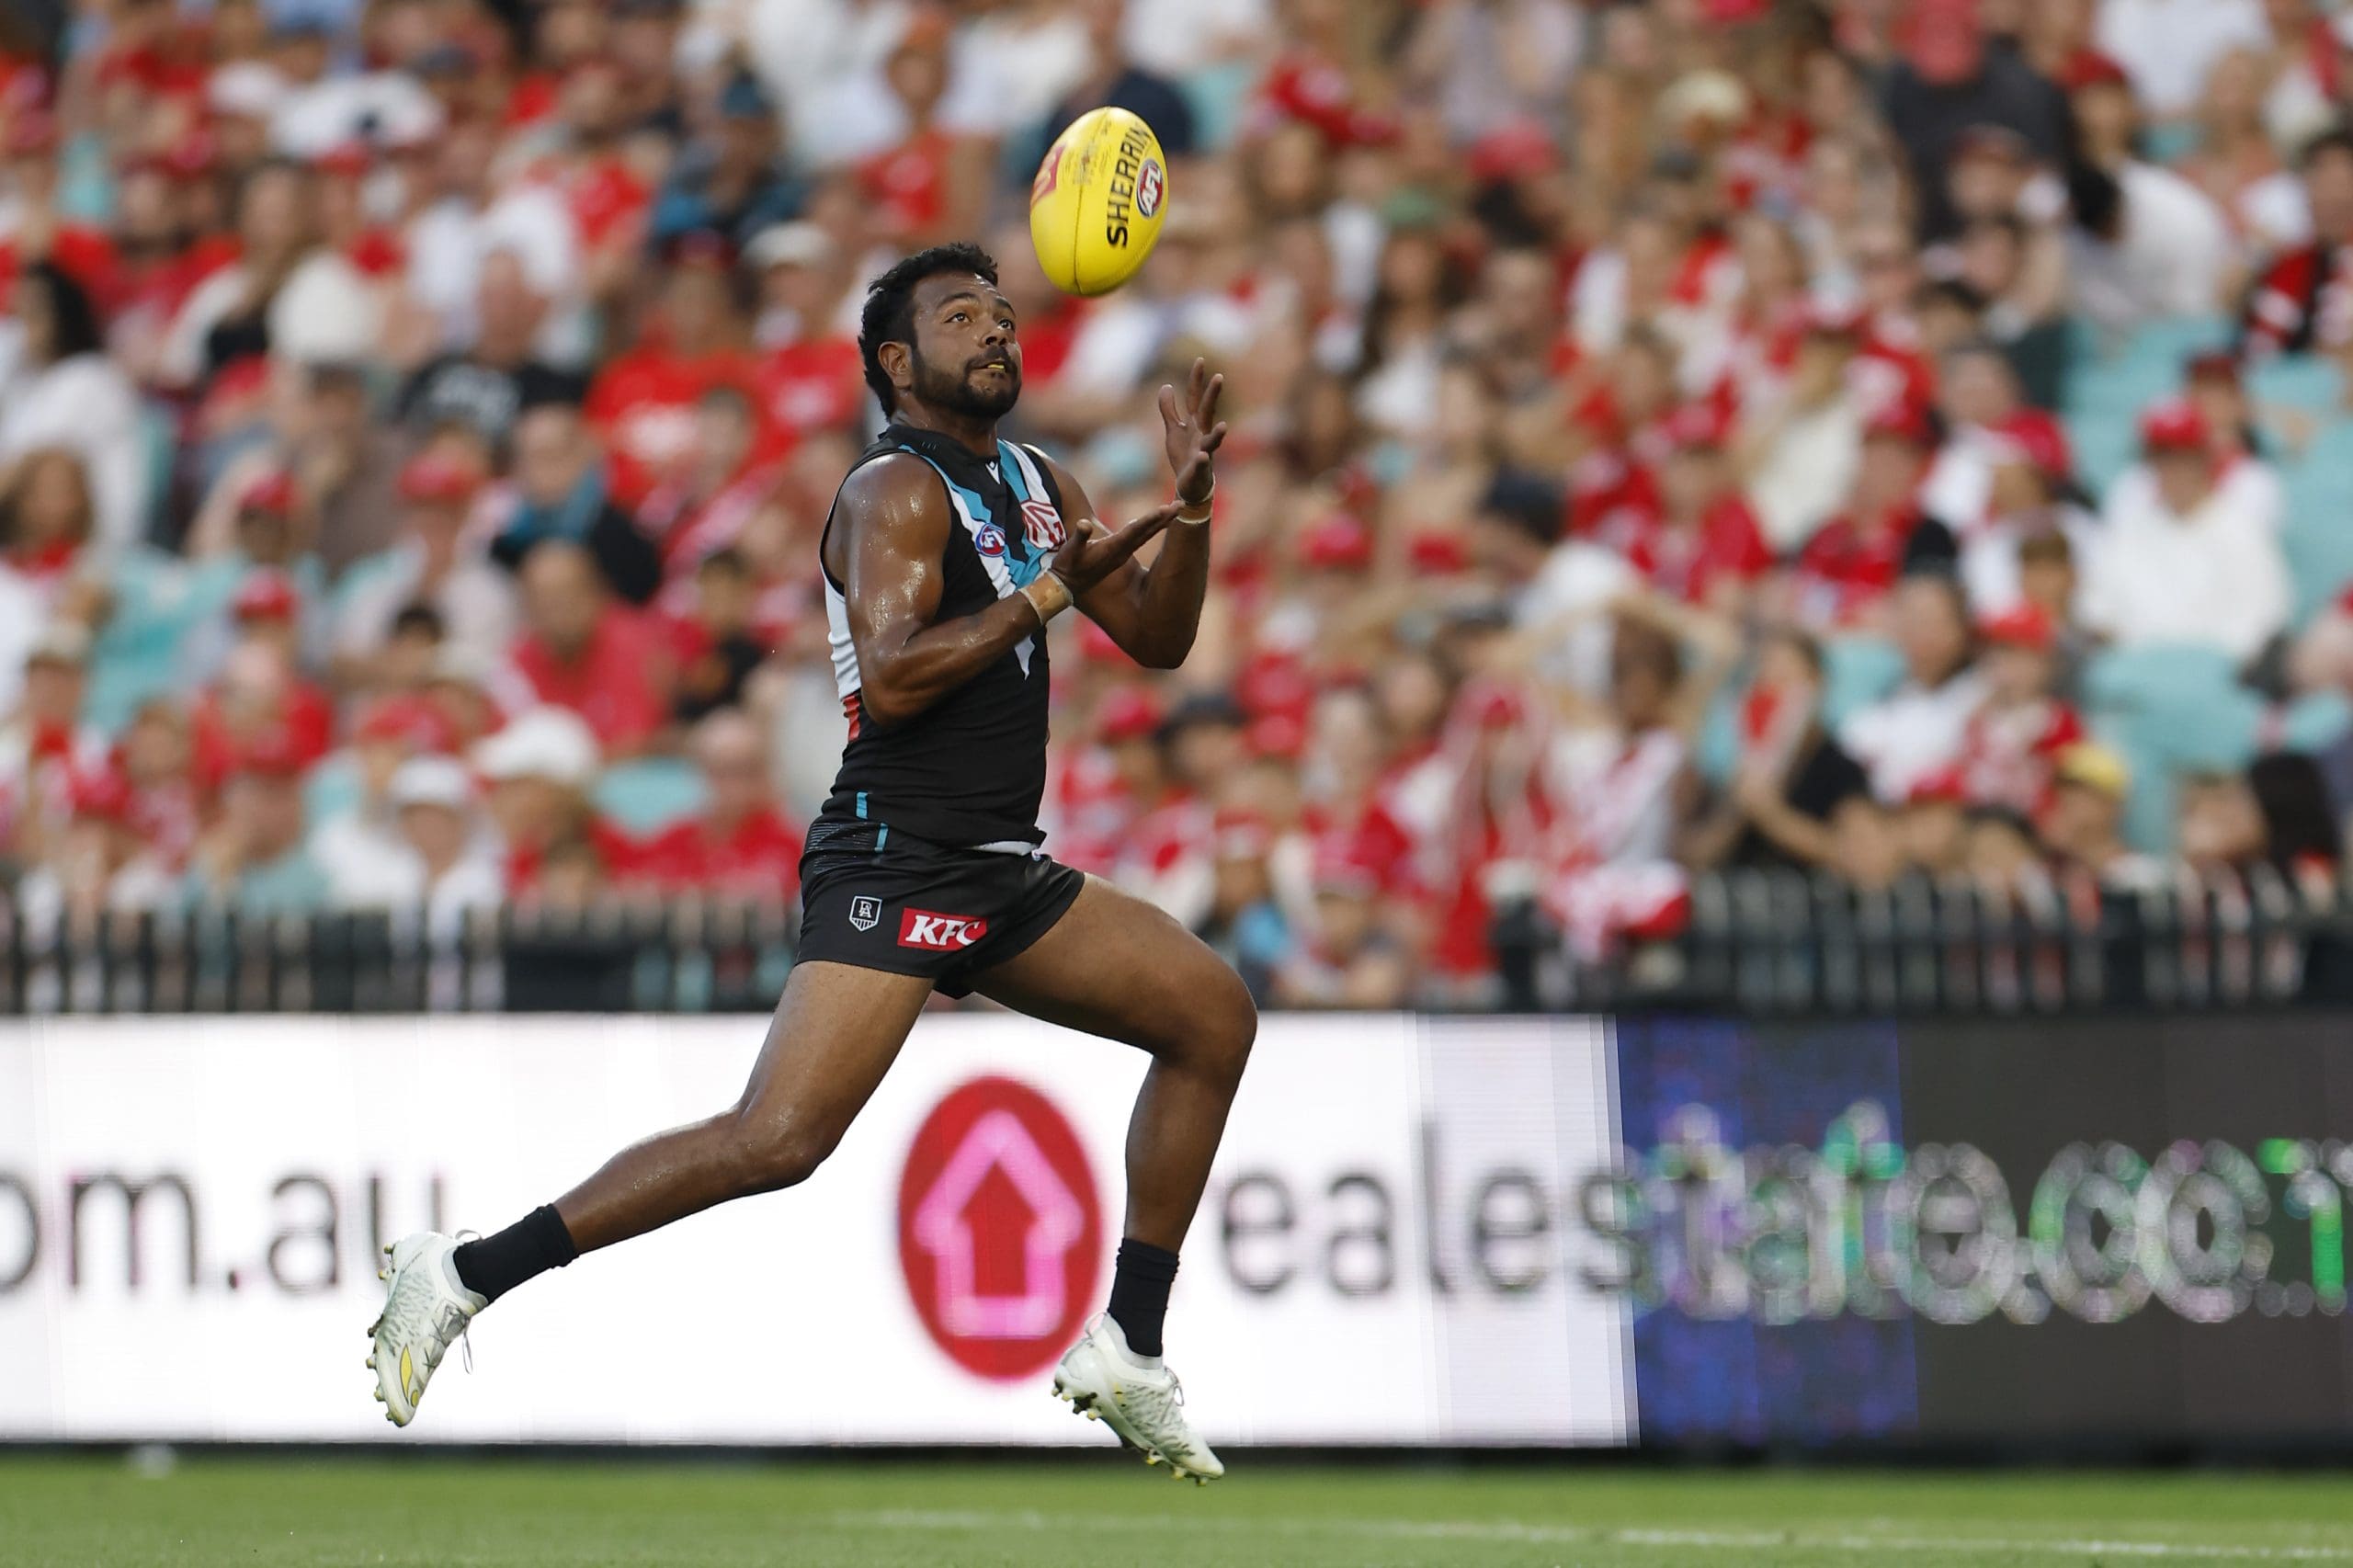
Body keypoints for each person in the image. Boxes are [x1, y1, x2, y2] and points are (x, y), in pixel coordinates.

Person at [369, 244, 1250, 1483]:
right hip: (897, 855)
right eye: (961, 316)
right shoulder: (891, 490)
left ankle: (1131, 1345)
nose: (995, 330)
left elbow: (1158, 638)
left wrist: (1197, 507)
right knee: (774, 1139)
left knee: (1212, 1015)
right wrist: (1048, 597)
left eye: (1001, 313)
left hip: (999, 864)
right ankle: (461, 1271)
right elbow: (891, 681)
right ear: (898, 361)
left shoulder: (1039, 479)